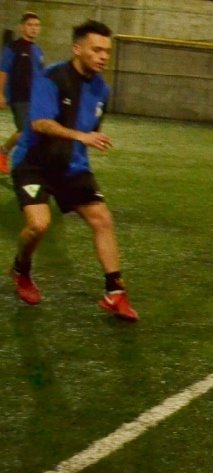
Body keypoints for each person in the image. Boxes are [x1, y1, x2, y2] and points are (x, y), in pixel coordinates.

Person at [9, 20, 138, 321]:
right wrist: (81, 136)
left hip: (72, 166)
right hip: (34, 164)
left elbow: (90, 128)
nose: (103, 56)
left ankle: (115, 292)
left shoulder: (102, 89)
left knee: (102, 219)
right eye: (96, 50)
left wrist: (85, 141)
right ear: (77, 49)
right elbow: (40, 123)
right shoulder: (52, 77)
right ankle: (20, 269)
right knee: (38, 226)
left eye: (107, 51)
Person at [0, 12, 44, 175]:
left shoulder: (38, 51)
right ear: (22, 27)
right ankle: (22, 164)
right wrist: (0, 93)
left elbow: (40, 75)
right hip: (19, 97)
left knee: (32, 131)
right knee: (26, 131)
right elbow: (3, 71)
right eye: (30, 25)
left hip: (35, 98)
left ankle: (4, 151)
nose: (33, 28)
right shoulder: (13, 47)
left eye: (36, 25)